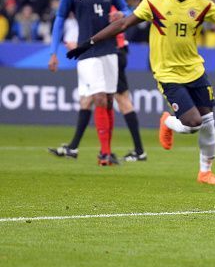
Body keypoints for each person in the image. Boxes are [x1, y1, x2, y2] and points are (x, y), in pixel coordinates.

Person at [67, 0, 215, 184]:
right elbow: (123, 25)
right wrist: (89, 42)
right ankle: (167, 121)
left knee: (208, 121)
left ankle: (205, 172)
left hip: (195, 70)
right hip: (167, 73)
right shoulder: (155, 2)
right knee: (193, 123)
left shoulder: (203, 4)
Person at [48, 0, 132, 166]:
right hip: (86, 51)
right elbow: (59, 20)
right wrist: (53, 52)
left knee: (109, 99)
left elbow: (129, 11)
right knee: (98, 98)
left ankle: (106, 151)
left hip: (109, 49)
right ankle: (104, 153)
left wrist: (122, 14)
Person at [48, 9, 147, 162]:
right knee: (88, 100)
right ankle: (74, 147)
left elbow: (102, 33)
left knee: (121, 101)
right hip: (113, 52)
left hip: (110, 53)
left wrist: (80, 45)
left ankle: (135, 151)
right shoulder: (108, 0)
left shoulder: (104, 3)